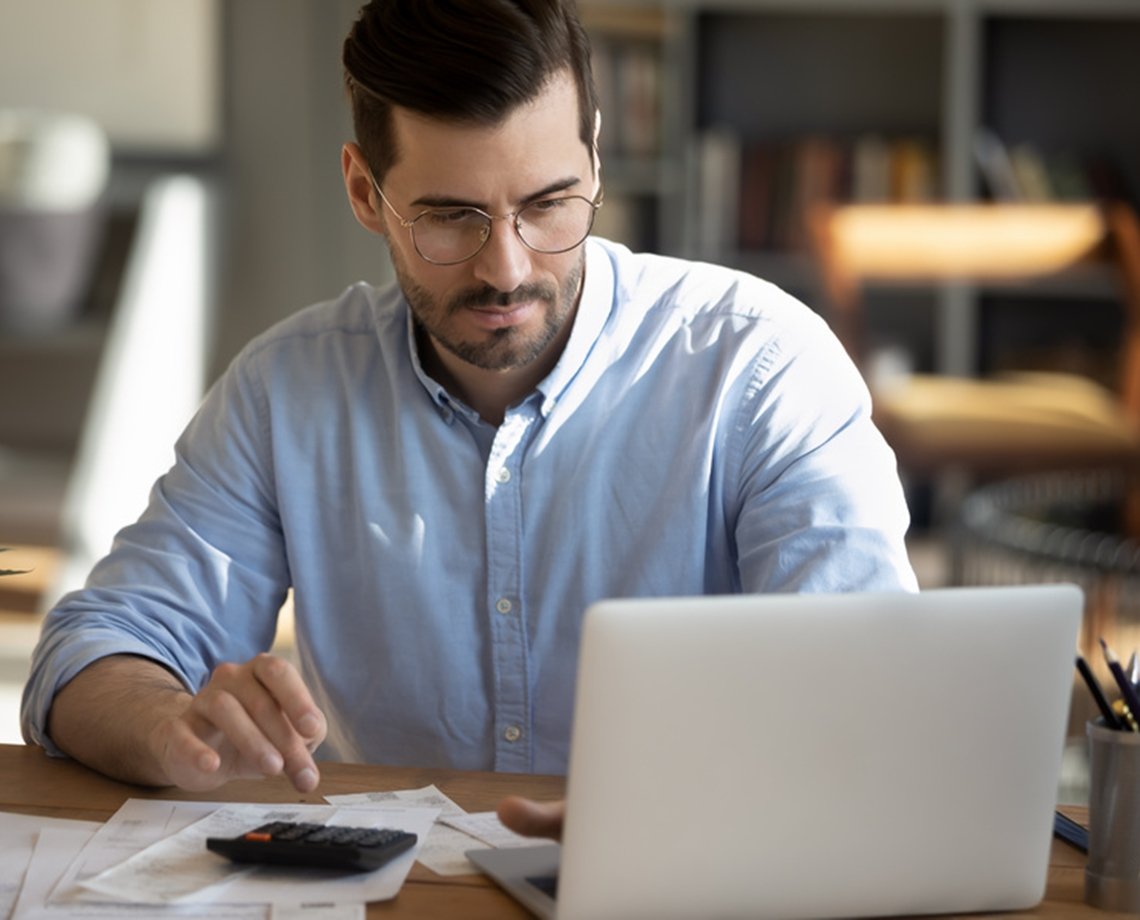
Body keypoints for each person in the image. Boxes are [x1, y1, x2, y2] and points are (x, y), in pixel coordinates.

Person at [21, 0, 917, 815]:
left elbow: (872, 687)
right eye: (451, 217)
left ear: (594, 160)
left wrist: (671, 817)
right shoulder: (285, 392)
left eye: (549, 205)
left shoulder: (759, 367)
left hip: (704, 881)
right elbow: (89, 650)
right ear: (366, 193)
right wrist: (171, 725)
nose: (508, 268)